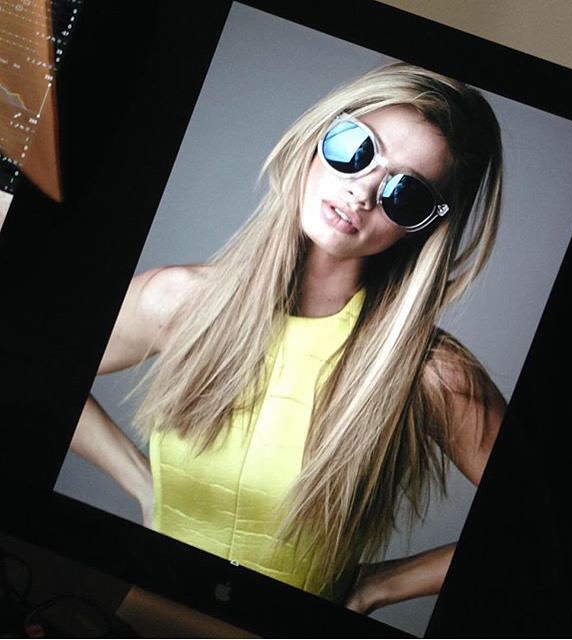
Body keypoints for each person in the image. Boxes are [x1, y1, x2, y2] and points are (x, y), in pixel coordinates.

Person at [70, 62, 505, 613]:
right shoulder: (179, 302)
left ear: (422, 227)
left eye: (406, 194)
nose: (363, 192)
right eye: (356, 148)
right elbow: (32, 359)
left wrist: (381, 586)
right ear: (317, 136)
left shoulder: (429, 372)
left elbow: (541, 523)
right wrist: (142, 482)